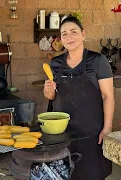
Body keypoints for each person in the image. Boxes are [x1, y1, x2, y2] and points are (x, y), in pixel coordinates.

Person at [43, 16, 114, 180]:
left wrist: (107, 127)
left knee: (92, 173)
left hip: (91, 131)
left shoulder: (97, 61)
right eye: (64, 34)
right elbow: (51, 96)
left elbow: (108, 95)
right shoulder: (55, 63)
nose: (69, 37)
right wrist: (48, 90)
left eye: (73, 32)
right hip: (61, 132)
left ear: (83, 34)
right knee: (63, 173)